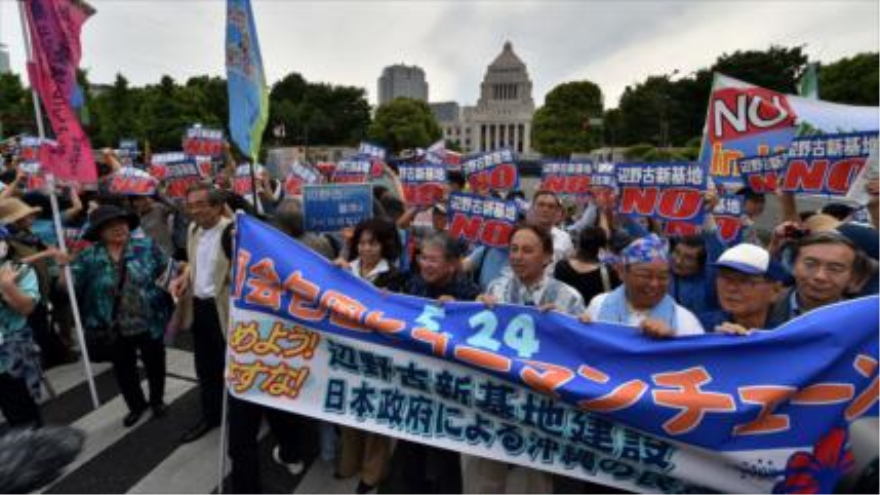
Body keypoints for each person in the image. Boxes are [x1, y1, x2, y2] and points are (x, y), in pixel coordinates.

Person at [468, 224, 584, 495]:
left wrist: (565, 326)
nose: (518, 256)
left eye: (528, 250)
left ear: (547, 257)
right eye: (514, 249)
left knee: (539, 479)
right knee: (488, 475)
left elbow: (579, 353)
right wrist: (473, 310)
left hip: (543, 401)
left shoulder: (568, 298)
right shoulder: (495, 288)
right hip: (498, 397)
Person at [382, 232, 478, 495]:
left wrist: (460, 310)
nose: (426, 265)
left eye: (433, 260)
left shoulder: (470, 294)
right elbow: (372, 288)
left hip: (447, 391)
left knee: (444, 459)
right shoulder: (412, 284)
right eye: (423, 258)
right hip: (412, 384)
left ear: (451, 264)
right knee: (409, 454)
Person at [68, 205, 172, 427]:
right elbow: (70, 289)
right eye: (110, 225)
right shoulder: (88, 257)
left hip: (149, 321)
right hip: (112, 326)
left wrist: (180, 277)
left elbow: (167, 272)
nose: (118, 228)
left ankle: (156, 401)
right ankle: (136, 406)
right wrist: (63, 269)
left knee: (155, 364)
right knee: (124, 370)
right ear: (98, 232)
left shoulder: (146, 246)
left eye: (122, 223)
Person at [335, 217, 402, 495]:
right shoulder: (343, 270)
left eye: (372, 244)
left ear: (384, 246)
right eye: (361, 243)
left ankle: (373, 472)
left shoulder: (395, 277)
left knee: (375, 412)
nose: (366, 249)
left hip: (378, 357)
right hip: (344, 352)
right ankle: (349, 461)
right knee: (347, 407)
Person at [170, 184, 234, 442]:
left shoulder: (233, 232)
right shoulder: (193, 229)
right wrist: (186, 276)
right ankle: (212, 415)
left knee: (231, 366)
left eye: (201, 205)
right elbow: (194, 262)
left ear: (218, 206)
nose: (195, 211)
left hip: (226, 311)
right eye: (191, 205)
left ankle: (241, 413)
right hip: (199, 307)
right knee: (205, 366)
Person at [584, 234, 705, 337]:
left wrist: (672, 343)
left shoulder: (685, 322)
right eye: (645, 275)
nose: (654, 284)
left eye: (663, 277)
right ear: (622, 272)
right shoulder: (598, 305)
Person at [769, 231, 867, 323]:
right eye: (810, 264)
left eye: (835, 268)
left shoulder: (865, 320)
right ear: (793, 266)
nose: (820, 276)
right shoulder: (764, 304)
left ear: (852, 277)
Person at [0, 226, 43, 428]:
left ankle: (38, 448)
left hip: (14, 349)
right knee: (9, 408)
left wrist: (8, 286)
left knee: (25, 406)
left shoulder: (20, 270)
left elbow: (26, 308)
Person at [699, 244, 787, 334]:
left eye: (744, 280)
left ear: (775, 290)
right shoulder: (697, 328)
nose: (731, 288)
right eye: (725, 277)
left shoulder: (787, 335)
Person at [554, 226, 619, 304]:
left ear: (579, 243)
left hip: (563, 313)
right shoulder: (609, 273)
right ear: (602, 248)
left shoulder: (561, 266)